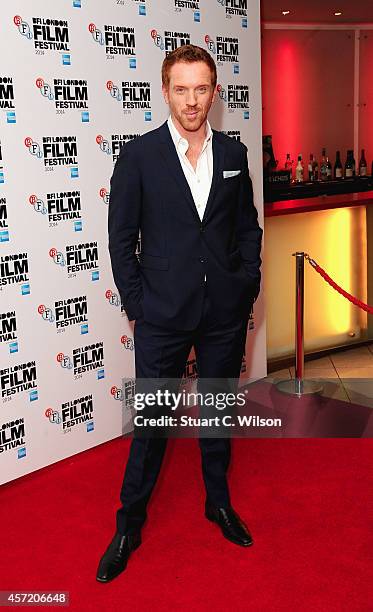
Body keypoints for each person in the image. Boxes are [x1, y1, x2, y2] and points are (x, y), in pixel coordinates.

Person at [96, 44, 263, 583]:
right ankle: (128, 525)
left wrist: (246, 282)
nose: (192, 100)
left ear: (215, 93)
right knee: (152, 422)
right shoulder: (139, 156)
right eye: (181, 89)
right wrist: (140, 304)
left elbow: (246, 229)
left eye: (201, 89)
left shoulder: (235, 155)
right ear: (165, 92)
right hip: (163, 313)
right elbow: (121, 238)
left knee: (217, 414)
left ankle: (218, 503)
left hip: (223, 311)